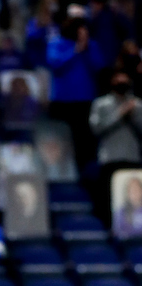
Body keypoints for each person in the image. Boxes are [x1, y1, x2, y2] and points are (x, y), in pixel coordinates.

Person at [47, 9, 104, 169]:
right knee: (62, 141)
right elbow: (55, 64)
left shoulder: (92, 46)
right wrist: (76, 50)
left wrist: (85, 48)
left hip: (85, 102)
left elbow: (98, 66)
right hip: (63, 102)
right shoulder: (56, 43)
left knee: (84, 143)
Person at [90, 72, 142, 219]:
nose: (122, 83)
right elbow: (97, 129)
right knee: (109, 199)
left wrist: (133, 116)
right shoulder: (101, 105)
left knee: (134, 198)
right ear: (112, 82)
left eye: (125, 81)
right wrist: (120, 114)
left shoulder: (137, 105)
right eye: (119, 80)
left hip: (132, 158)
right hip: (110, 159)